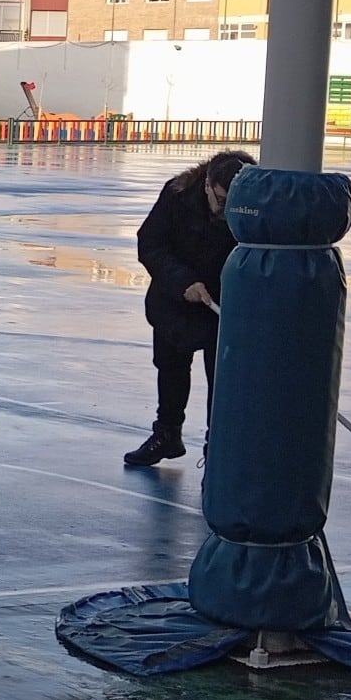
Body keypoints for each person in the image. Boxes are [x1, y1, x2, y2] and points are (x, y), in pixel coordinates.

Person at [124, 148, 255, 466]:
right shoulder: (176, 194)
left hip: (224, 306)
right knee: (170, 369)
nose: (225, 211)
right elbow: (151, 243)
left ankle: (218, 448)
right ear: (208, 184)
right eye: (221, 201)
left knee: (222, 381)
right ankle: (167, 434)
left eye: (231, 204)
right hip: (176, 301)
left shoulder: (253, 205)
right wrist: (184, 282)